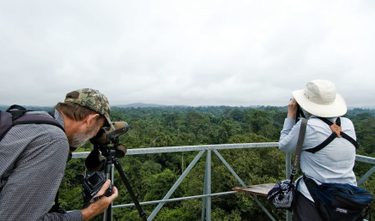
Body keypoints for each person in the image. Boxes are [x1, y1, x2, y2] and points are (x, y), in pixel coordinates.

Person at [0, 88, 119, 221]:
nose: (95, 135)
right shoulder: (54, 140)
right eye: (98, 128)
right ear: (91, 120)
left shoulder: (34, 119)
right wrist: (89, 212)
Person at [279, 80, 358, 221]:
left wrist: (291, 116)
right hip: (347, 194)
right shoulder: (348, 124)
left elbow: (284, 146)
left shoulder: (307, 126)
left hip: (313, 196)